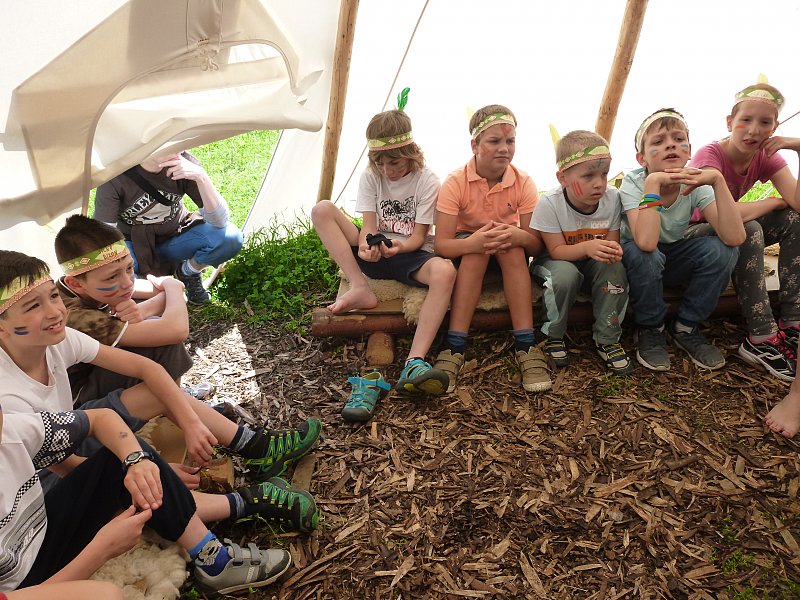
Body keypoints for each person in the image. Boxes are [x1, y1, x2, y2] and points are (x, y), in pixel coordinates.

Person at [0, 250, 321, 534]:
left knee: (152, 396)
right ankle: (245, 504)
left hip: (69, 433)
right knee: (133, 485)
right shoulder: (8, 398)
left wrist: (191, 425)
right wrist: (152, 469)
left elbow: (148, 369)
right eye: (33, 306)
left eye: (53, 296)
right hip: (39, 488)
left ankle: (256, 446)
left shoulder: (56, 339)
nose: (55, 311)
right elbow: (65, 465)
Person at [0, 402, 292, 595]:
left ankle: (212, 558)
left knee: (126, 457)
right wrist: (101, 549)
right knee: (105, 594)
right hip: (23, 585)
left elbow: (102, 418)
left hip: (37, 532)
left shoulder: (9, 429)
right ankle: (235, 520)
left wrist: (136, 460)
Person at [311, 102, 454, 421]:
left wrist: (397, 248)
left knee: (445, 272)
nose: (388, 170)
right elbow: (368, 227)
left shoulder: (428, 180)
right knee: (322, 210)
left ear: (411, 152)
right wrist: (366, 246)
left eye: (395, 162)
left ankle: (415, 362)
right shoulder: (371, 176)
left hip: (409, 252)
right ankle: (359, 286)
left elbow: (418, 238)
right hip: (377, 249)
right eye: (380, 162)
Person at [686, 82, 800, 383]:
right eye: (745, 120)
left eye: (764, 122)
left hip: (727, 230)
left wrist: (799, 149)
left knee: (794, 219)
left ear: (775, 127)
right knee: (748, 228)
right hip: (692, 236)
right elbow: (722, 215)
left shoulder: (765, 156)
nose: (753, 130)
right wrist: (772, 201)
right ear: (729, 122)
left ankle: (793, 320)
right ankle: (761, 336)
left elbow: (797, 202)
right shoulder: (709, 155)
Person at [434, 104, 549, 393]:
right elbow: (441, 245)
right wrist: (473, 242)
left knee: (511, 247)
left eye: (510, 141)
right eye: (494, 141)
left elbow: (535, 244)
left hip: (507, 251)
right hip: (468, 249)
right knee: (477, 252)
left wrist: (518, 236)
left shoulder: (523, 182)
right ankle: (455, 345)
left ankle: (526, 344)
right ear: (474, 145)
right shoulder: (455, 182)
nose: (504, 148)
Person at [620, 108, 745, 372]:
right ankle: (650, 327)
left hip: (672, 257)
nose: (671, 145)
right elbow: (646, 242)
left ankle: (686, 326)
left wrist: (717, 181)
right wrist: (653, 184)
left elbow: (734, 237)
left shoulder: (694, 181)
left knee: (724, 250)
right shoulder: (634, 183)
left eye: (679, 139)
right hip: (636, 265)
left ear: (689, 151)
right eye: (658, 141)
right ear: (642, 158)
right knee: (645, 254)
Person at [54, 214, 210, 403]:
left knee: (152, 326)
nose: (128, 282)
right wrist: (173, 286)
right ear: (76, 284)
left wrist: (145, 308)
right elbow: (176, 330)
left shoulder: (88, 284)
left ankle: (175, 400)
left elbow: (168, 295)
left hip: (99, 370)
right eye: (112, 277)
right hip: (78, 399)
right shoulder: (73, 316)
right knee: (161, 341)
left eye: (129, 268)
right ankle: (175, 404)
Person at [530, 130, 633, 374]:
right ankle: (552, 334)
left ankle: (608, 337)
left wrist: (611, 253)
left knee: (614, 269)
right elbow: (556, 251)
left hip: (592, 261)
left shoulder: (612, 198)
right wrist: (588, 247)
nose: (599, 183)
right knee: (565, 276)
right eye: (588, 176)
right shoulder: (550, 203)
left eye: (604, 174)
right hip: (555, 260)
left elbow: (611, 245)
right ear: (562, 178)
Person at [93, 151, 244, 304]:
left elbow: (219, 221)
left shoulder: (183, 162)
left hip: (176, 235)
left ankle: (187, 273)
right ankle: (154, 293)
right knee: (114, 269)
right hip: (135, 244)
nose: (179, 149)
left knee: (230, 238)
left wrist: (200, 176)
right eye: (170, 143)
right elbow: (103, 238)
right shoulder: (116, 176)